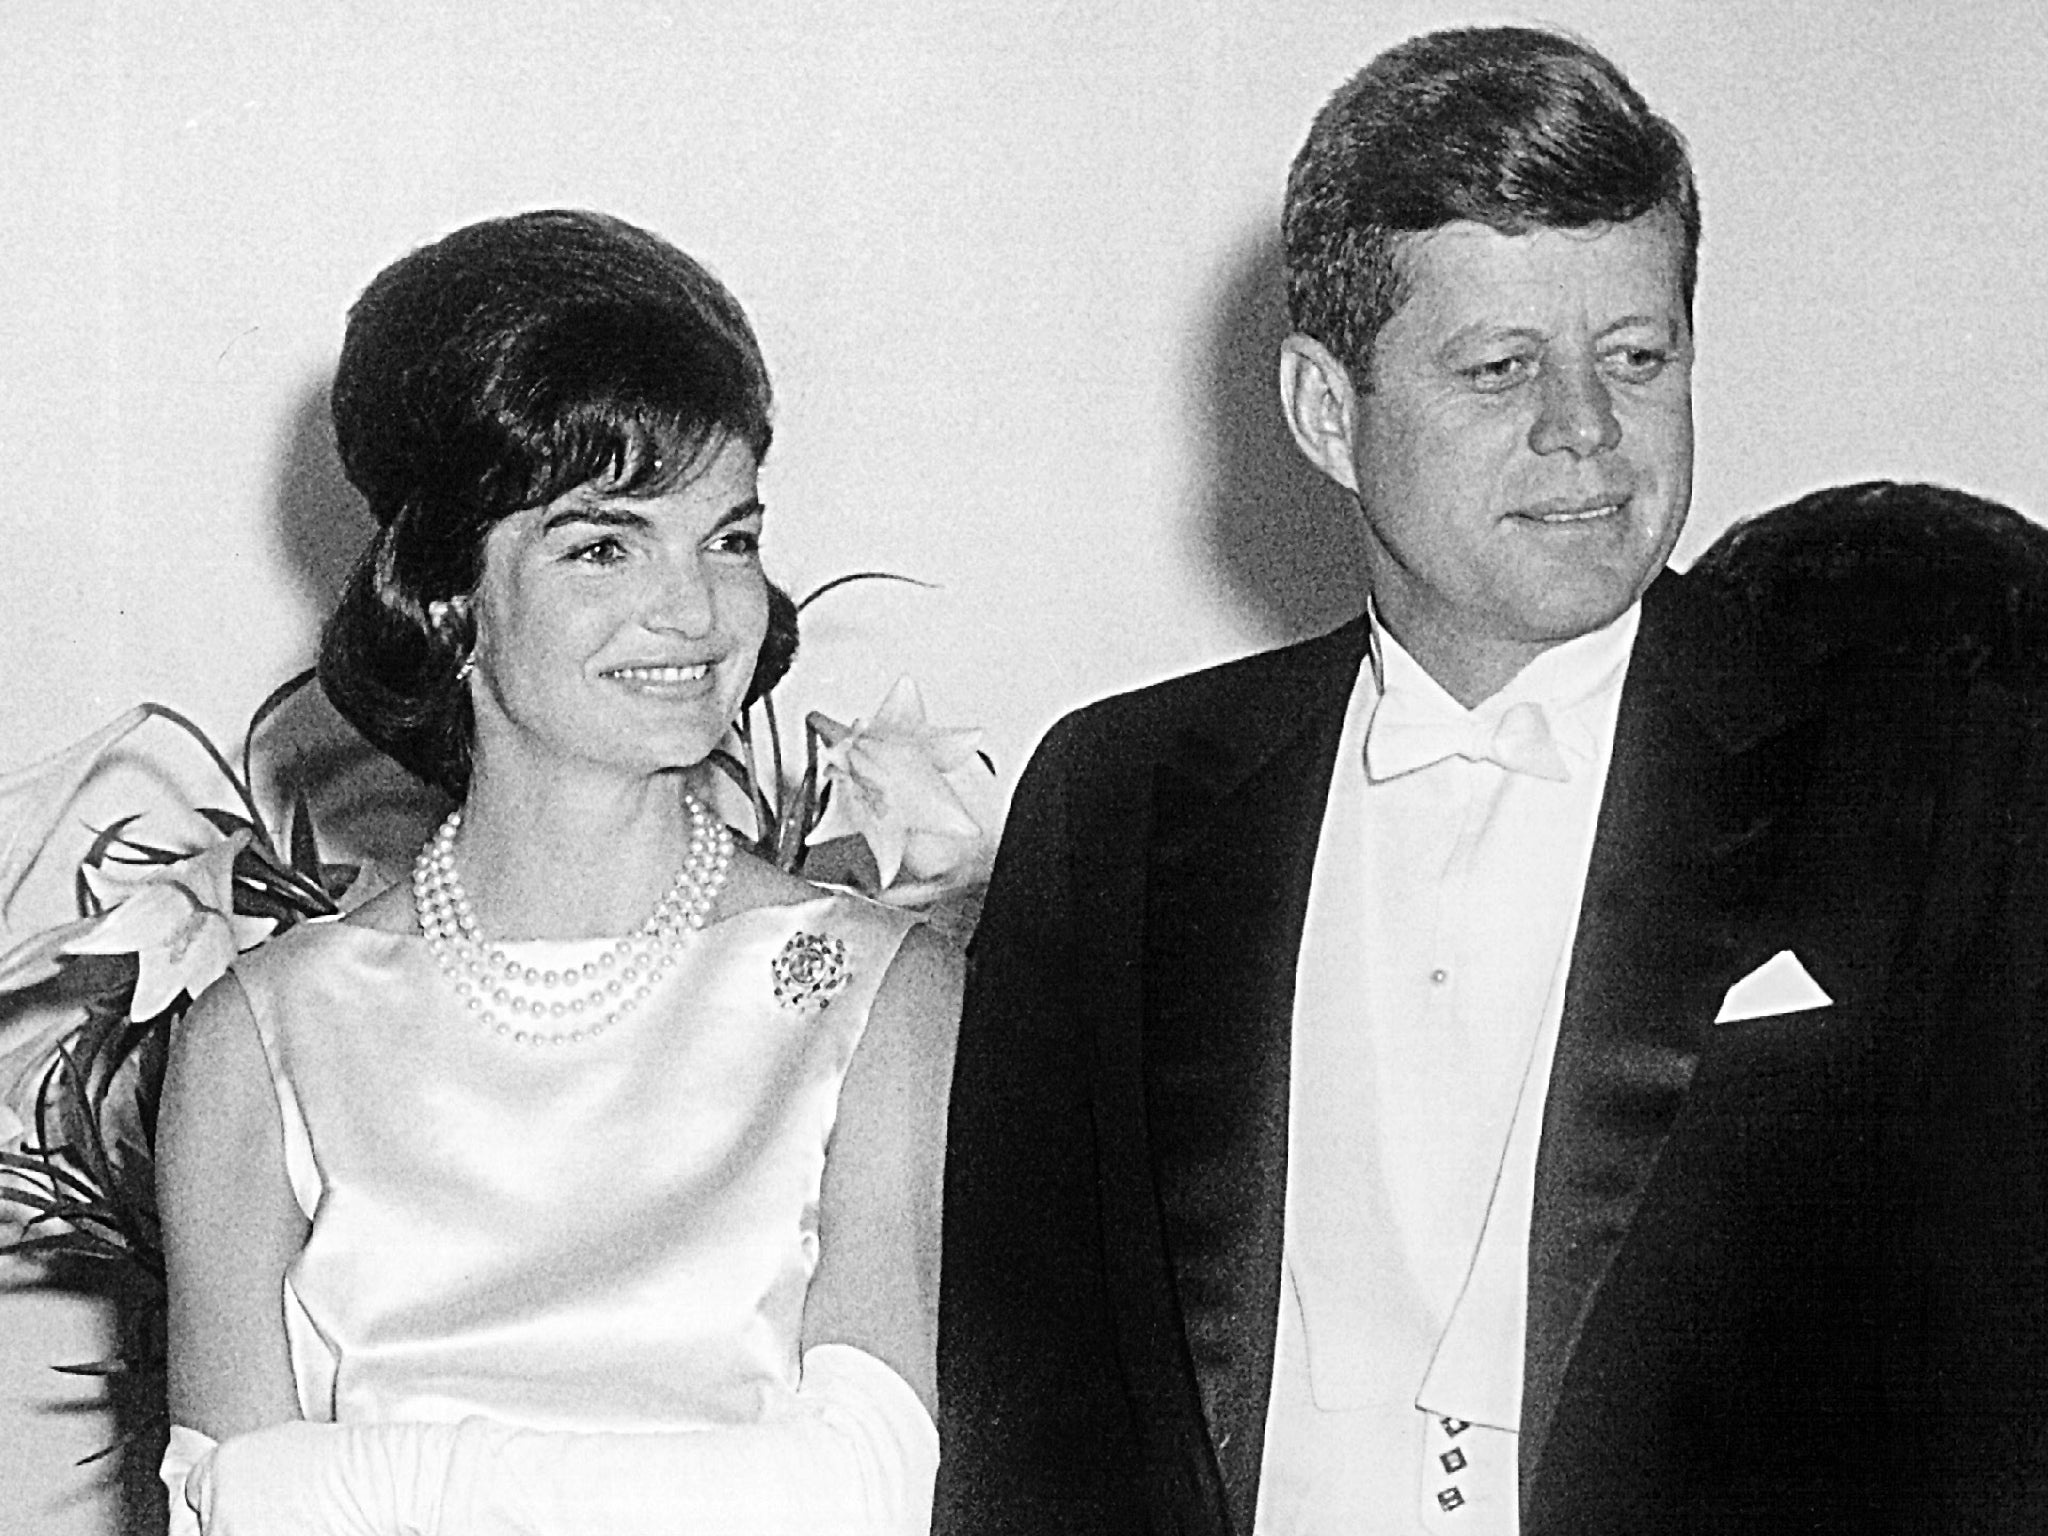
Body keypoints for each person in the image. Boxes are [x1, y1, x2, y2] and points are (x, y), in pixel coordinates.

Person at [936, 26, 2048, 1535]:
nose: (1586, 431)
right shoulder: (1114, 803)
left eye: (1637, 357)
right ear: (1328, 412)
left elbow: (2003, 1422)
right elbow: (1030, 1428)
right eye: (1501, 366)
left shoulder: (1942, 795)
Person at [155, 208, 959, 1535]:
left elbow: (871, 1494)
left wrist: (350, 1486)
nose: (694, 611)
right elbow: (216, 1512)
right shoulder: (265, 1034)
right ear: (443, 590)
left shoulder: (877, 995)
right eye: (604, 544)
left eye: (730, 537)